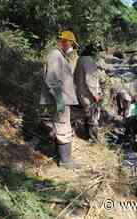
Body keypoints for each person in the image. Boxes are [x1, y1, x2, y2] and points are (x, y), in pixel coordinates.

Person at [40, 30, 79, 169]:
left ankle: (62, 157)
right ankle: (65, 161)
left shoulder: (59, 56)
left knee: (61, 125)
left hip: (60, 98)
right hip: (59, 99)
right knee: (63, 127)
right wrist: (60, 101)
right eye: (72, 44)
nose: (72, 48)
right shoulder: (55, 55)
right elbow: (51, 80)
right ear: (65, 41)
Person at [74, 43, 102, 144]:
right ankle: (93, 139)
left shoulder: (80, 59)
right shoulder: (88, 61)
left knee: (88, 115)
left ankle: (87, 136)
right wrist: (95, 94)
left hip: (81, 92)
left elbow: (75, 77)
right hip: (88, 94)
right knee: (93, 117)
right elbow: (90, 79)